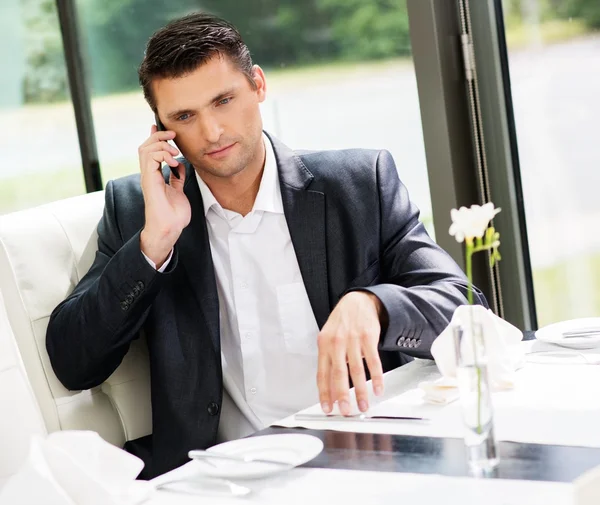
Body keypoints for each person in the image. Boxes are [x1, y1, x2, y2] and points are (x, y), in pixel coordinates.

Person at [46, 12, 486, 479]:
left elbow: (465, 310)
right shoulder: (139, 211)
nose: (212, 132)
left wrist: (374, 304)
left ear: (257, 85)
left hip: (366, 459)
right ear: (161, 130)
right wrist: (154, 243)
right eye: (185, 116)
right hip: (225, 477)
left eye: (223, 100)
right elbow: (74, 363)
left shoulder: (359, 184)